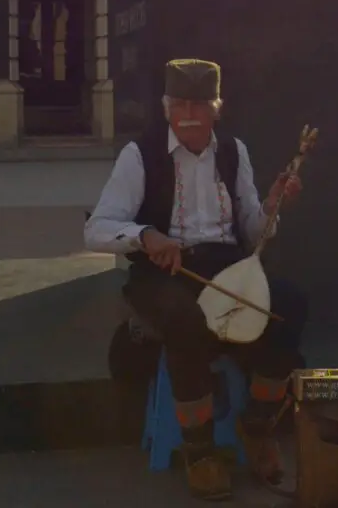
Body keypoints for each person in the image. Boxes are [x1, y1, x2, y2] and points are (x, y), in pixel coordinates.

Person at [85, 59, 307, 501]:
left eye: (199, 105)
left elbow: (250, 229)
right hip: (164, 271)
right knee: (185, 320)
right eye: (180, 103)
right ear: (167, 108)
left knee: (289, 306)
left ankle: (257, 426)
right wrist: (146, 236)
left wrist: (271, 206)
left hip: (225, 267)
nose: (189, 113)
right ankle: (200, 450)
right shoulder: (140, 154)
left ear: (215, 110)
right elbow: (97, 227)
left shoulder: (233, 151)